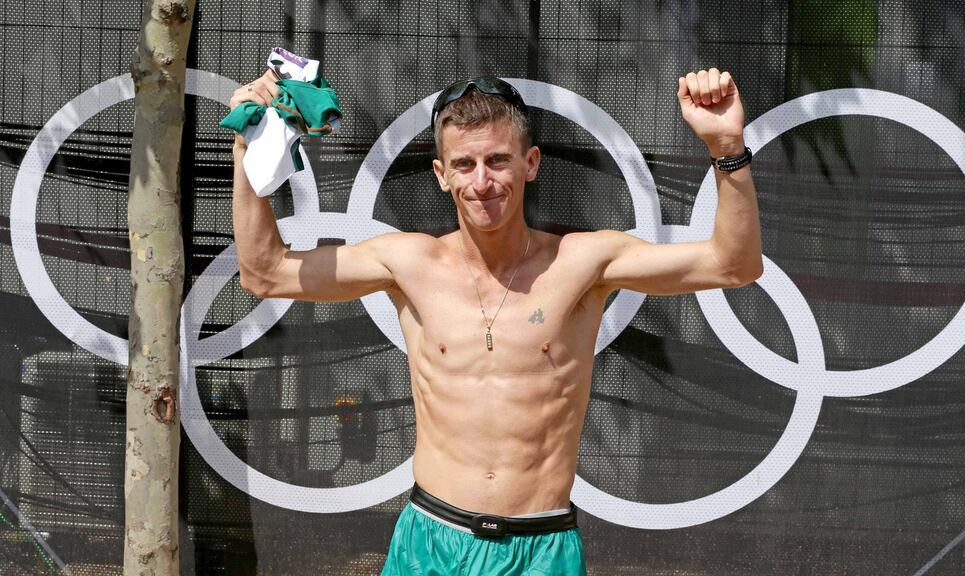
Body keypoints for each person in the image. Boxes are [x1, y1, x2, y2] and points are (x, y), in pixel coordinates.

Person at [228, 68, 761, 575]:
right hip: (431, 539)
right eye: (464, 164)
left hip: (541, 545)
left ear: (530, 163)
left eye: (498, 161)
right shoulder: (409, 262)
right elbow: (266, 273)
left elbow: (733, 264)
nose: (482, 182)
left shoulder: (582, 263)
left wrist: (726, 148)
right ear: (441, 174)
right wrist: (249, 145)